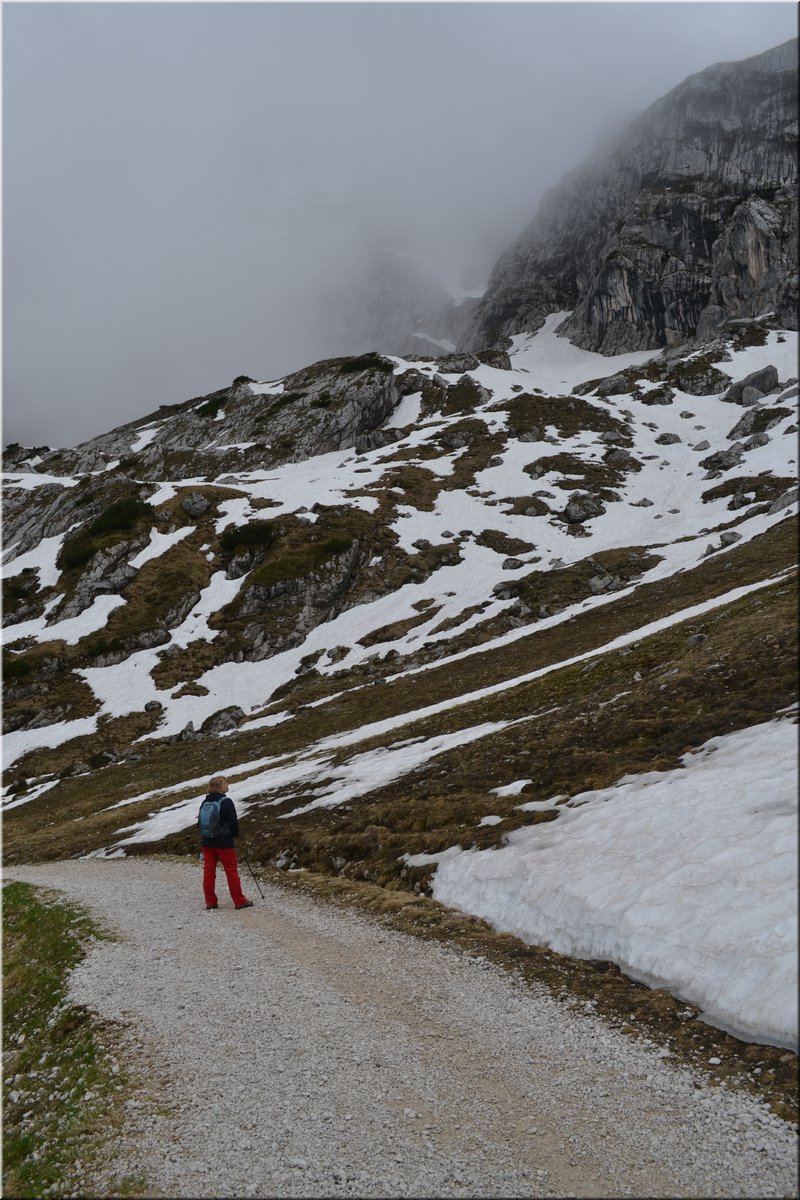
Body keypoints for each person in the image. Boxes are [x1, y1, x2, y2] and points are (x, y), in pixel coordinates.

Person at [198, 775, 253, 910]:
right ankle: (239, 901)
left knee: (209, 872)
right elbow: (233, 823)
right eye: (225, 782)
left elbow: (199, 824)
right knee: (231, 871)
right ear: (218, 787)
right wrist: (235, 835)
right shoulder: (226, 802)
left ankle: (210, 902)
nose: (227, 784)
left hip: (207, 842)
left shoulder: (205, 802)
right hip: (224, 842)